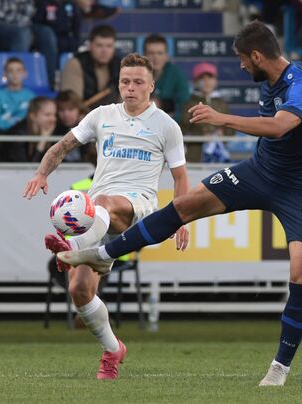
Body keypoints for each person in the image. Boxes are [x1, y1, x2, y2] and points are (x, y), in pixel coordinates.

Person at [55, 21, 302, 387]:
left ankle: (279, 369)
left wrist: (221, 118)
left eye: (241, 60)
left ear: (256, 56)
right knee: (185, 206)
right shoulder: (268, 81)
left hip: (300, 189)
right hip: (259, 172)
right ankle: (104, 254)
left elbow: (280, 126)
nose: (239, 67)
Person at [23, 53, 190, 379]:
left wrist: (180, 218)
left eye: (138, 82)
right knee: (79, 291)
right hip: (98, 217)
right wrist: (42, 173)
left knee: (102, 200)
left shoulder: (166, 126)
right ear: (118, 84)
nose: (130, 88)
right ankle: (113, 350)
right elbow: (64, 145)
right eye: (125, 81)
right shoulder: (102, 116)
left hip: (137, 208)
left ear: (151, 86)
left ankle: (70, 248)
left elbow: (181, 177)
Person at [179, 62, 234, 162]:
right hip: (195, 156)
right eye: (202, 78)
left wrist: (223, 132)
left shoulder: (222, 103)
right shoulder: (189, 103)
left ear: (215, 81)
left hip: (218, 156)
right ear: (195, 82)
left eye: (210, 78)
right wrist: (202, 135)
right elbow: (183, 129)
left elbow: (231, 129)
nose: (206, 82)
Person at [60, 24, 121, 109]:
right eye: (99, 45)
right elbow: (72, 104)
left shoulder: (120, 65)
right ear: (90, 46)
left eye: (109, 46)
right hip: (83, 116)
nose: (104, 51)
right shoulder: (76, 63)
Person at [143, 33, 190, 122]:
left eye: (160, 53)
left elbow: (185, 105)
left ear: (166, 56)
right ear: (144, 56)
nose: (155, 57)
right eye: (151, 53)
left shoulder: (176, 75)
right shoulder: (135, 73)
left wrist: (161, 104)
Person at [2, 96, 57, 162]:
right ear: (33, 116)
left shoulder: (54, 130)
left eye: (54, 115)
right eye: (47, 115)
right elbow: (28, 169)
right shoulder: (18, 134)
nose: (53, 119)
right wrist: (43, 140)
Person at [0, 57, 36, 132]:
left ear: (25, 73)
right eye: (10, 71)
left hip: (23, 135)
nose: (15, 74)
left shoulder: (31, 96)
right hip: (4, 133)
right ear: (5, 74)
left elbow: (34, 119)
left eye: (18, 70)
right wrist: (11, 127)